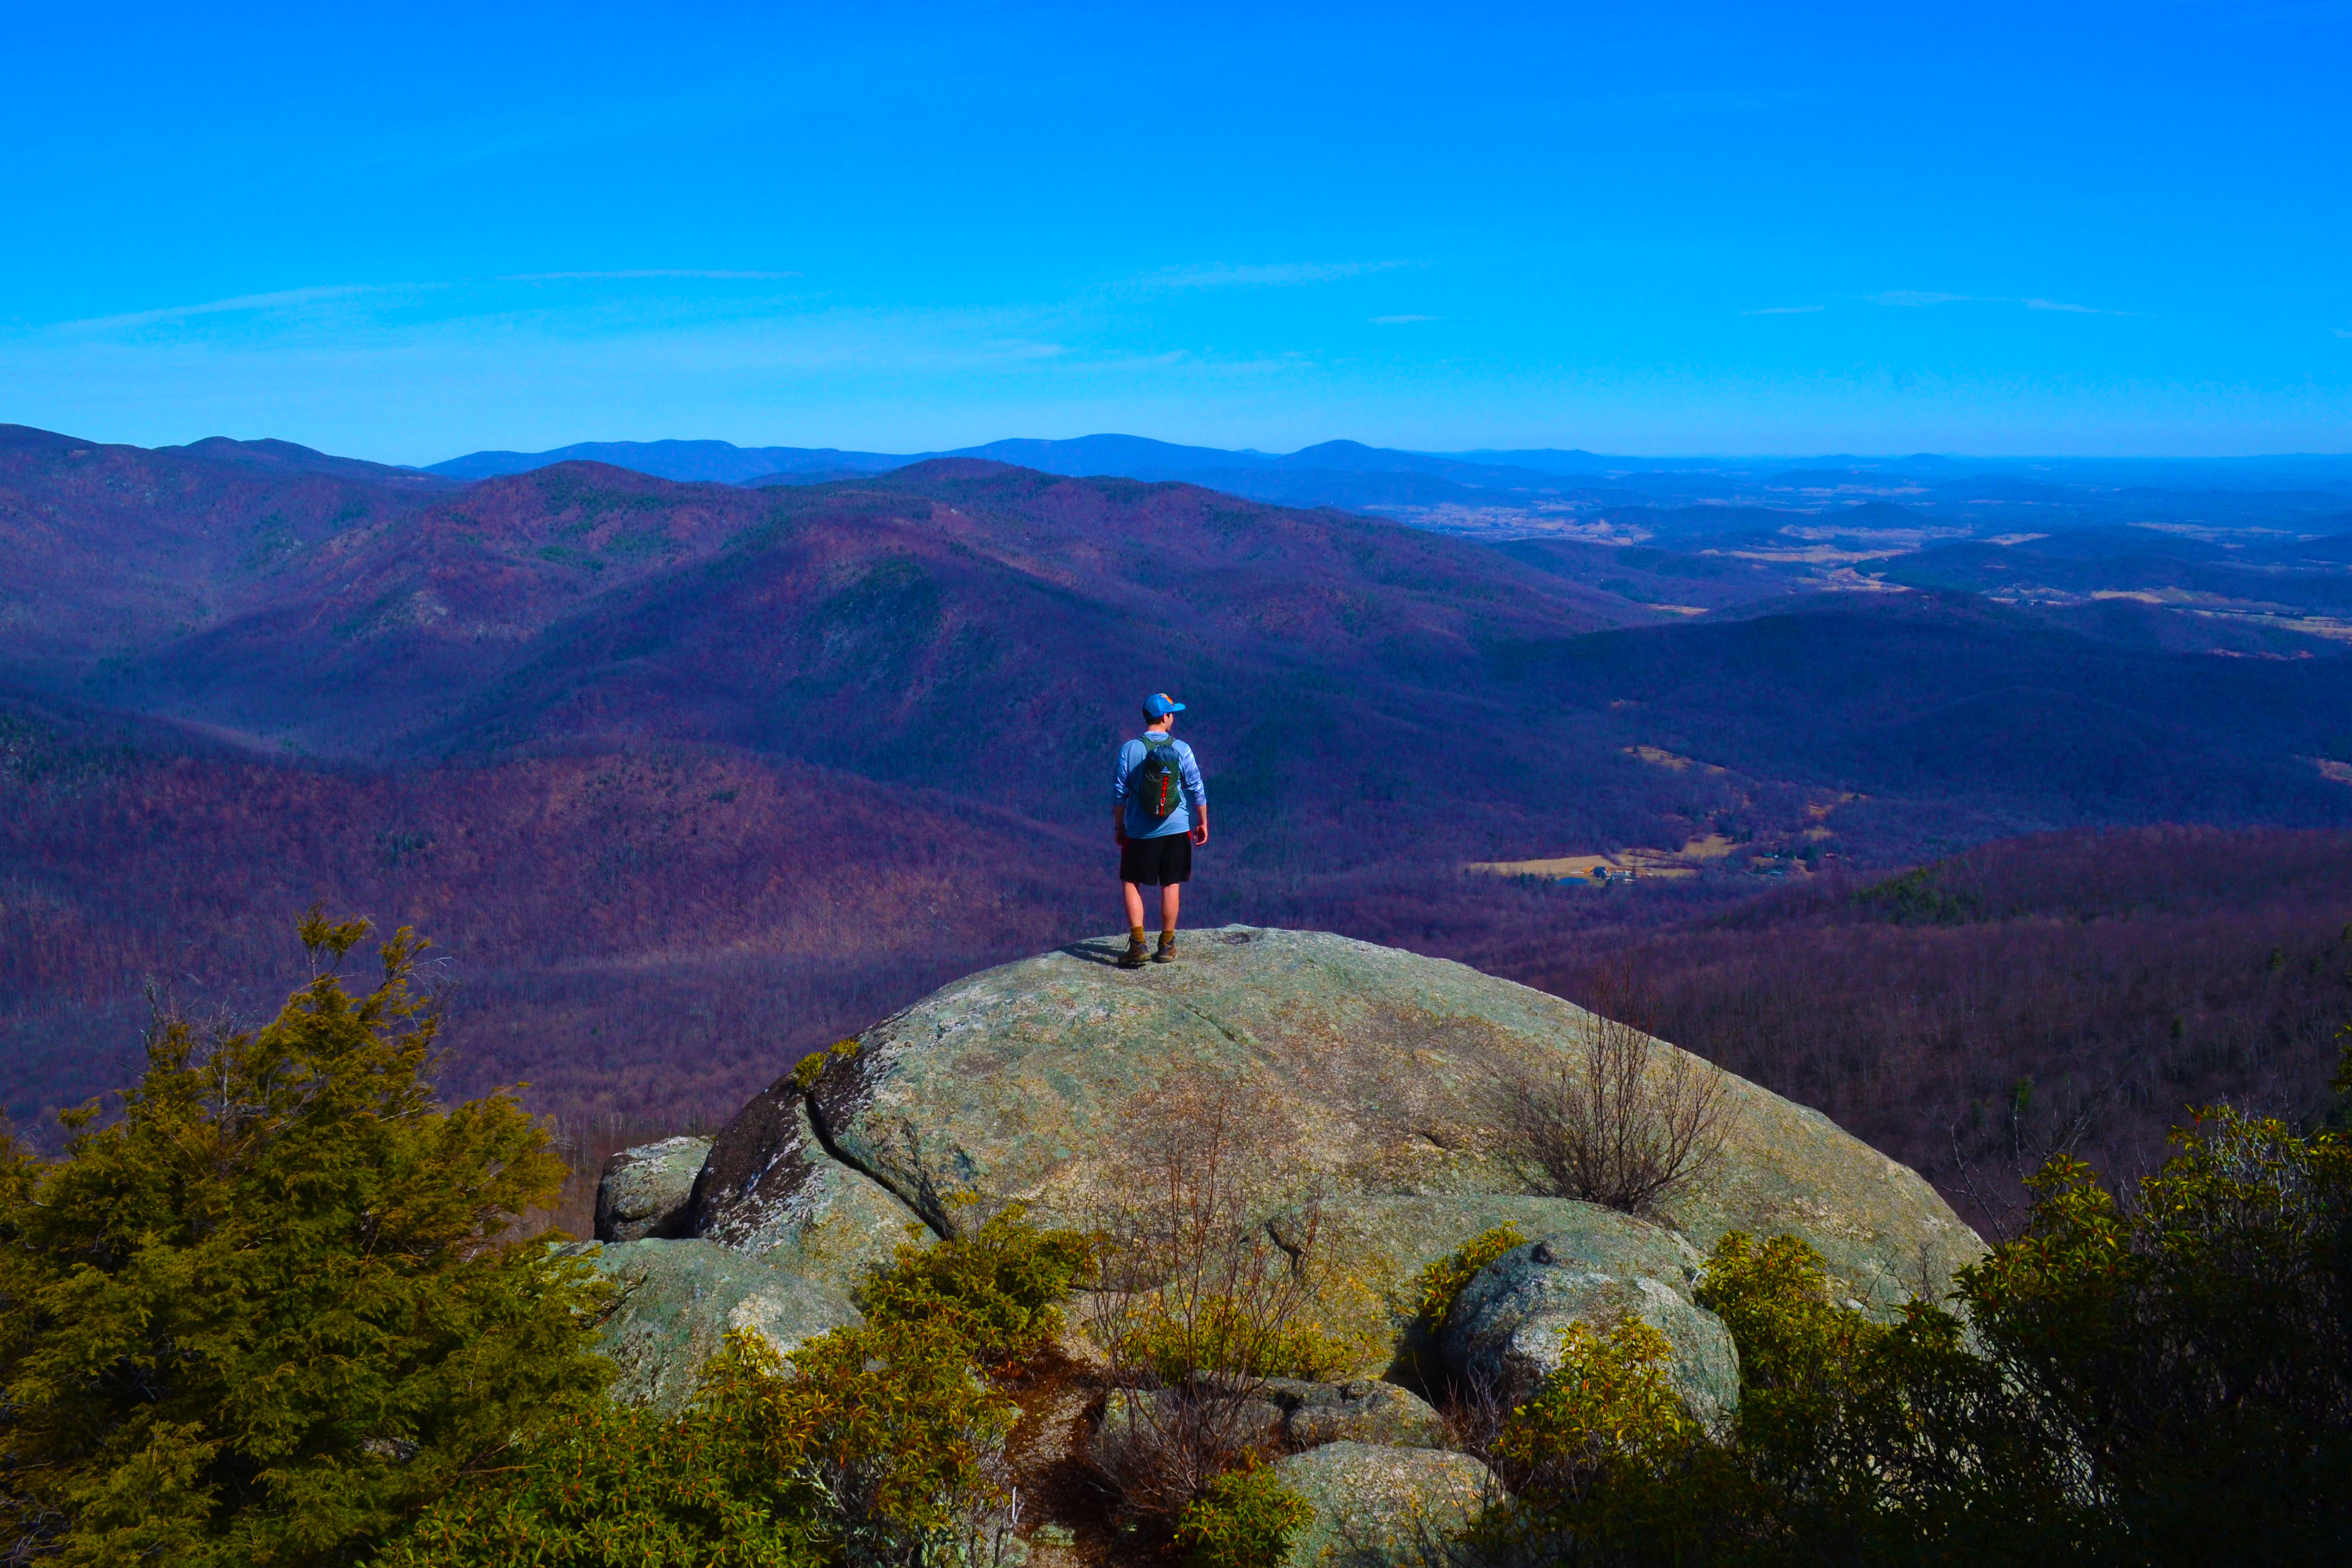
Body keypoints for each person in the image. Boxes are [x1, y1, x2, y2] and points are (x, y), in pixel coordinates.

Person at [1113, 692, 1209, 967]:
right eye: (1172, 713)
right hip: (1177, 829)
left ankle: (1138, 944)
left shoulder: (1129, 750)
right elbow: (1196, 788)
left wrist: (1119, 827)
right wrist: (1202, 822)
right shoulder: (1182, 748)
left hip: (1140, 831)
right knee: (1171, 883)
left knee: (1131, 881)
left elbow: (1119, 794)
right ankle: (1166, 945)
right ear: (1165, 717)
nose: (1173, 718)